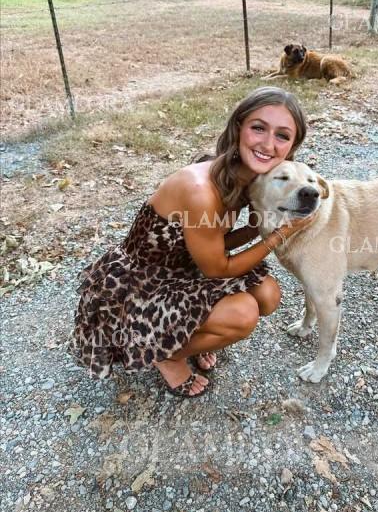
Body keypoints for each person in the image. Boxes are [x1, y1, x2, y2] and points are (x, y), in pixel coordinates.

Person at [68, 86, 312, 397]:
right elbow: (217, 268)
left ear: (292, 146)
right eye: (258, 128)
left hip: (187, 267)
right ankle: (169, 356)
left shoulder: (249, 177)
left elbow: (215, 240)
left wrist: (262, 225)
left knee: (268, 294)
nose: (268, 144)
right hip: (142, 286)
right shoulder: (201, 190)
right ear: (238, 128)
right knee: (242, 314)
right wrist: (279, 234)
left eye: (282, 135)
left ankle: (187, 335)